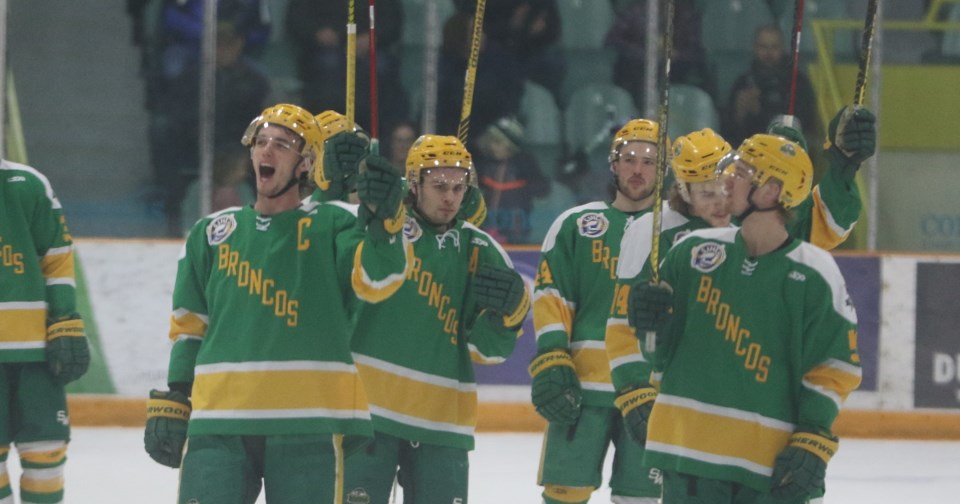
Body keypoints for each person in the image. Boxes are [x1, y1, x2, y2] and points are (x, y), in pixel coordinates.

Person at [142, 103, 410, 503]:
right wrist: (179, 394)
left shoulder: (336, 223)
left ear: (305, 165)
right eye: (261, 142)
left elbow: (377, 281)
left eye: (282, 145)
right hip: (219, 419)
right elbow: (189, 325)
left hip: (309, 421)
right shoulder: (211, 233)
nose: (267, 151)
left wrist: (384, 222)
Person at [627, 133, 862, 503]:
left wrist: (814, 439)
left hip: (769, 464)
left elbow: (834, 367)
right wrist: (649, 327)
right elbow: (658, 356)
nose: (728, 178)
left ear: (771, 191)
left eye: (743, 171)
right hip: (686, 453)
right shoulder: (689, 252)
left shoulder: (815, 272)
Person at [342, 134, 530, 504]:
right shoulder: (384, 227)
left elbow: (488, 351)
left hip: (442, 421)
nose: (450, 197)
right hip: (368, 413)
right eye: (439, 185)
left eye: (459, 187)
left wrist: (507, 319)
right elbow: (361, 285)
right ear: (414, 184)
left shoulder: (481, 250)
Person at [528, 119, 665, 504]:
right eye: (629, 159)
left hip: (650, 393)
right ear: (613, 164)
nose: (638, 169)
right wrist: (554, 357)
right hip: (582, 390)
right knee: (564, 495)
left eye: (650, 161)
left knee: (640, 499)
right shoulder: (575, 225)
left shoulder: (677, 233)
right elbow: (553, 296)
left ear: (664, 168)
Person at [0, 159, 90, 503]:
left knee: (46, 455)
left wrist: (64, 317)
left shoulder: (29, 183)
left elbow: (57, 256)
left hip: (35, 351)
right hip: (32, 351)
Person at [286, 0, 408, 133]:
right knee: (328, 66)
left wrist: (373, 37)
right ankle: (326, 130)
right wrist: (317, 32)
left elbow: (393, 21)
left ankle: (377, 134)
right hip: (322, 50)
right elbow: (296, 18)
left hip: (371, 50)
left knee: (380, 67)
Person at [722, 24, 818, 150]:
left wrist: (760, 113)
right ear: (754, 48)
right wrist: (739, 115)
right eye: (763, 47)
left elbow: (804, 126)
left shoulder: (797, 83)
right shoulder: (742, 84)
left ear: (783, 48)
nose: (769, 53)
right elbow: (729, 134)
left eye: (774, 47)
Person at [474, 116, 551, 244]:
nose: (493, 147)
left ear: (511, 145)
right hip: (485, 229)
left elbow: (543, 190)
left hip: (516, 230)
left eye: (498, 142)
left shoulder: (523, 164)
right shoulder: (484, 164)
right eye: (491, 142)